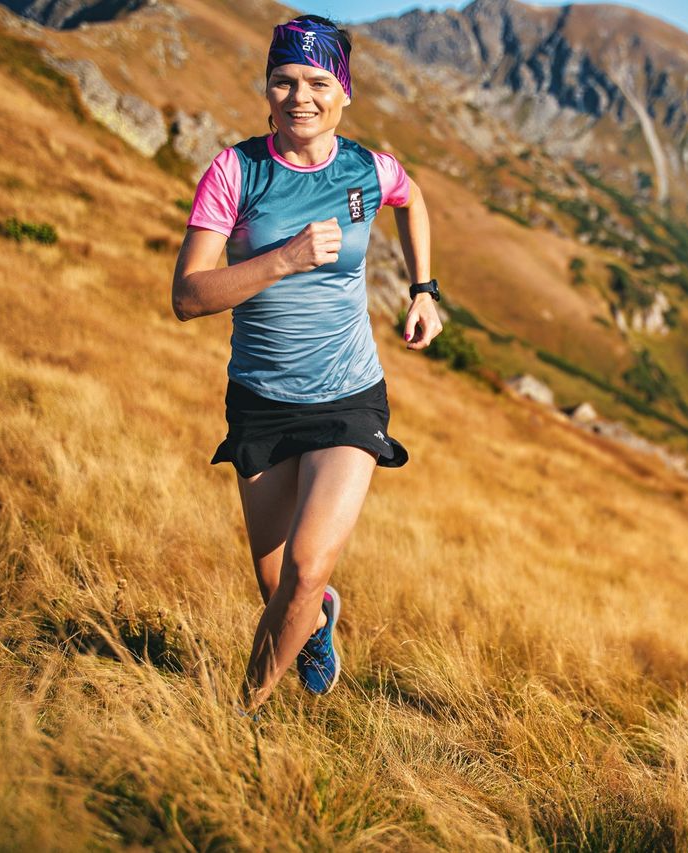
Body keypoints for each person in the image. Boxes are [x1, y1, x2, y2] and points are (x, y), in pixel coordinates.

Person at [170, 14, 442, 714]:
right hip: (260, 400)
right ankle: (319, 619)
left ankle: (238, 718)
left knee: (304, 564)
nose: (301, 97)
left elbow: (412, 201)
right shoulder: (235, 171)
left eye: (318, 82)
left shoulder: (366, 169)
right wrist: (283, 258)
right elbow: (189, 296)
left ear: (343, 92)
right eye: (284, 81)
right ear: (266, 90)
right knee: (280, 591)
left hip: (348, 395)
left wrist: (423, 291)